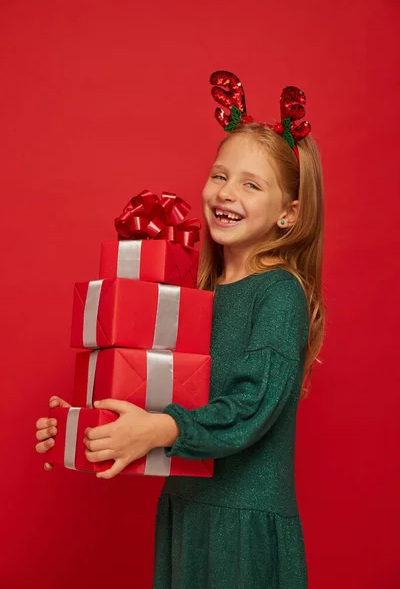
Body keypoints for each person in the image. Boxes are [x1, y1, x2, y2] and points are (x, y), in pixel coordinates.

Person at [35, 71, 325, 589]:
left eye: (251, 184)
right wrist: (89, 430)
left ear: (289, 213)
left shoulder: (280, 293)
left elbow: (249, 407)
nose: (226, 193)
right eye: (220, 175)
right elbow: (160, 394)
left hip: (242, 528)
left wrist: (160, 428)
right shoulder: (196, 294)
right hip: (187, 513)